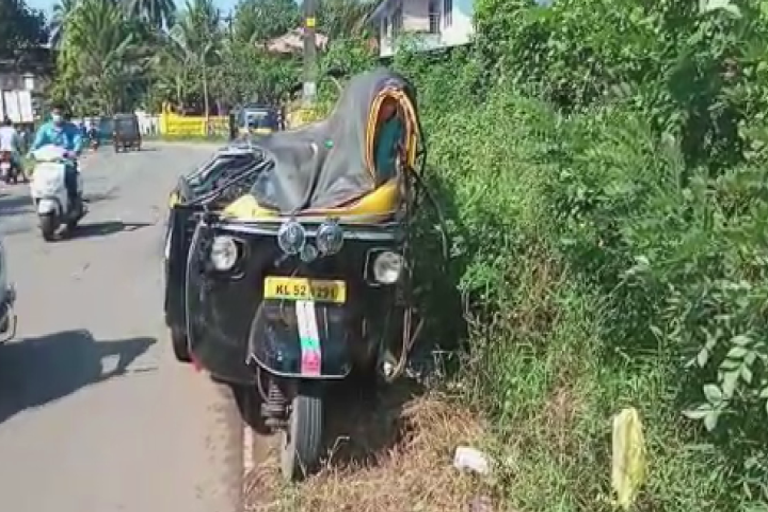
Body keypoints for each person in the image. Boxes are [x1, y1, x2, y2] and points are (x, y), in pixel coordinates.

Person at [29, 104, 83, 203]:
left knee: (70, 174)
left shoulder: (71, 128)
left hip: (65, 161)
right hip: (48, 161)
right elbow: (37, 143)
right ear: (51, 114)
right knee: (36, 175)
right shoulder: (45, 128)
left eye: (60, 113)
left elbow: (77, 141)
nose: (58, 116)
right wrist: (31, 153)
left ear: (63, 114)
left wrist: (74, 151)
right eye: (56, 113)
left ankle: (73, 199)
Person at [373, 98, 405, 183]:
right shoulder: (375, 124)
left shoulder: (397, 126)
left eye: (387, 108)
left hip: (388, 170)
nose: (383, 111)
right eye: (383, 108)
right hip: (374, 167)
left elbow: (401, 146)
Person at [0, 117, 27, 182]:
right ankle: (24, 177)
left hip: (2, 150)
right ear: (11, 123)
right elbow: (18, 141)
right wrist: (20, 149)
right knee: (20, 163)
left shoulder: (0, 130)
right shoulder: (13, 130)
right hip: (12, 150)